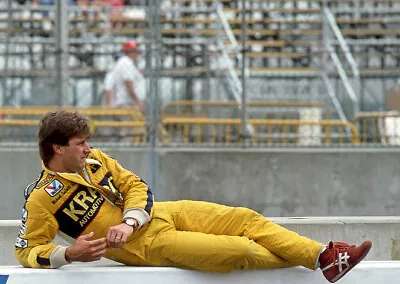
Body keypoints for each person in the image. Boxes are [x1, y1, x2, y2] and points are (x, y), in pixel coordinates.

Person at [15, 109, 372, 283]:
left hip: (164, 213)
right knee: (239, 249)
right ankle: (323, 261)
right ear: (57, 148)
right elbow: (26, 251)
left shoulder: (95, 159)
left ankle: (325, 256)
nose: (88, 148)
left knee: (245, 219)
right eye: (80, 144)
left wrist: (128, 219)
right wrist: (69, 254)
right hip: (147, 247)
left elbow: (136, 187)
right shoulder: (41, 197)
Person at [103, 40, 145, 113]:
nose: (137, 53)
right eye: (135, 50)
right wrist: (139, 102)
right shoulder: (126, 62)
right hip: (127, 105)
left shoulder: (128, 62)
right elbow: (129, 85)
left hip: (129, 104)